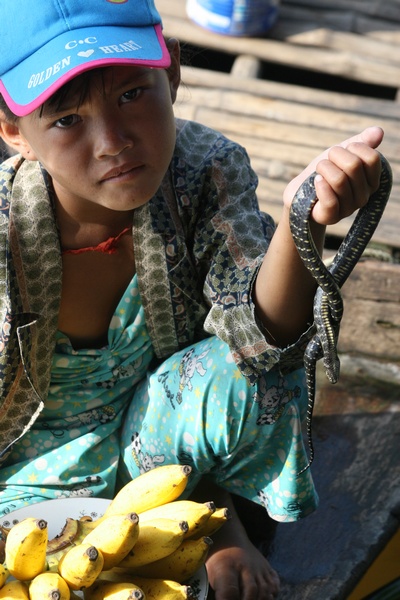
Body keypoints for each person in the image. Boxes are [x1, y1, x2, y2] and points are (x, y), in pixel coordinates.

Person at [0, 1, 384, 598]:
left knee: (261, 372)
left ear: (171, 73)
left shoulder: (205, 170)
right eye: (68, 120)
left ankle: (215, 511)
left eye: (131, 95)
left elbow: (260, 343)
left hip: (157, 434)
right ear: (13, 132)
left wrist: (301, 225)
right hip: (22, 469)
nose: (112, 143)